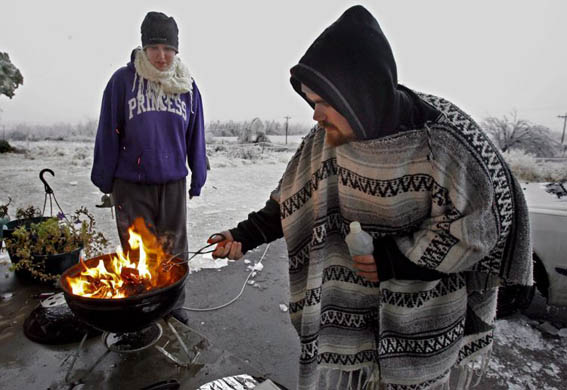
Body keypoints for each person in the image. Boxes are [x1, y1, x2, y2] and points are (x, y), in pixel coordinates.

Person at [210, 5, 532, 390]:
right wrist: (244, 235)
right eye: (311, 103)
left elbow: (483, 223)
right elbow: (293, 197)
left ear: (357, 94)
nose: (315, 116)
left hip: (424, 324)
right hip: (347, 324)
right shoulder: (325, 141)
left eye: (322, 103)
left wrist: (396, 261)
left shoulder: (441, 141)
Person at [91, 11, 207, 260]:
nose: (161, 56)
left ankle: (176, 301)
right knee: (141, 259)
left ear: (177, 50)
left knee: (174, 259)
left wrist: (198, 176)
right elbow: (108, 132)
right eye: (154, 47)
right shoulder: (122, 81)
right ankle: (142, 301)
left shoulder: (187, 85)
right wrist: (104, 177)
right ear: (143, 48)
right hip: (131, 187)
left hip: (173, 186)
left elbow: (196, 134)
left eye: (168, 48)